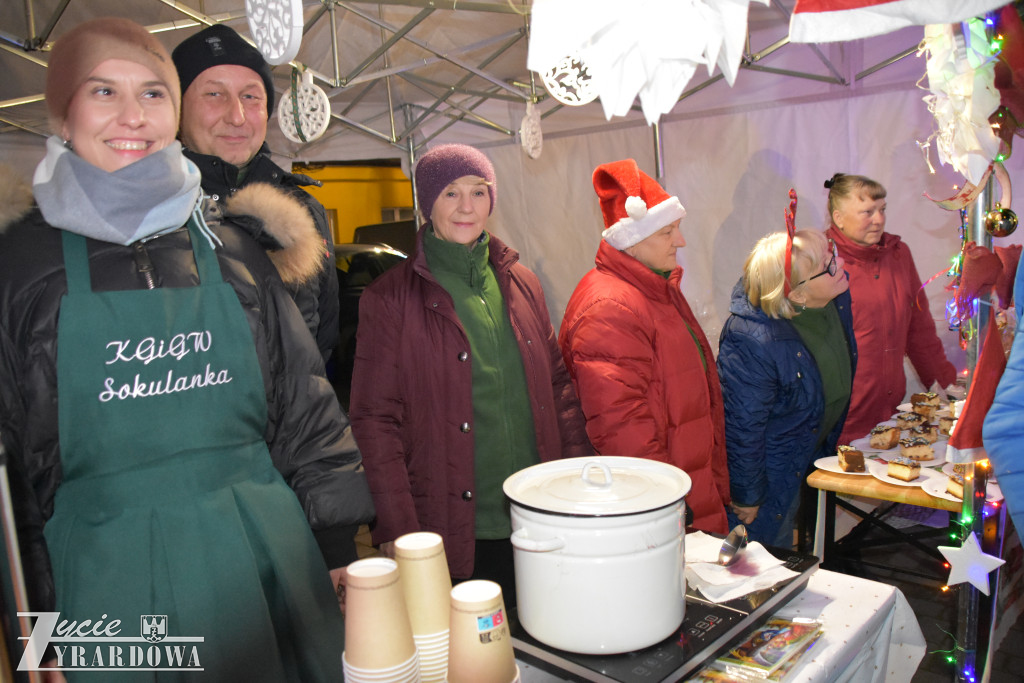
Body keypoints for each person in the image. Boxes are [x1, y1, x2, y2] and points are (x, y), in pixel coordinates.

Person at [0, 18, 374, 681]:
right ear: (62, 113)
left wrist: (338, 546)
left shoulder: (233, 248)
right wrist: (34, 631)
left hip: (265, 563)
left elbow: (305, 408)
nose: (132, 116)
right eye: (103, 92)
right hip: (107, 589)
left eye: (152, 94)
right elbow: (9, 482)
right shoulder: (18, 266)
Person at [349, 144, 592, 605]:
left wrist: (578, 480)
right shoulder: (390, 299)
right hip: (453, 525)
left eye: (478, 192)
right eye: (451, 194)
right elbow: (374, 419)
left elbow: (559, 388)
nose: (467, 207)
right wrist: (399, 528)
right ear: (428, 203)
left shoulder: (521, 282)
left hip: (538, 514)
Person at [559, 158, 730, 535]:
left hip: (684, 487)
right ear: (632, 240)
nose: (681, 241)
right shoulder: (611, 306)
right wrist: (665, 503)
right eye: (667, 232)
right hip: (661, 503)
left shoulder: (654, 289)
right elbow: (621, 425)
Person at [171, 23, 340, 366]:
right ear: (177, 111)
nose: (237, 116)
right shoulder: (150, 209)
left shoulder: (304, 209)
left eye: (251, 97)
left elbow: (323, 340)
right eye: (214, 94)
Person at [717, 229, 857, 546]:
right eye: (829, 265)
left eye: (832, 253)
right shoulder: (750, 338)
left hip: (808, 453)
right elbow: (742, 427)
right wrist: (748, 494)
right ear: (797, 296)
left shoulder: (835, 298)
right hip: (772, 476)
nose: (841, 263)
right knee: (764, 562)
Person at [824, 173, 958, 444]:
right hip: (838, 419)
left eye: (882, 209)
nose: (879, 219)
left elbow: (919, 329)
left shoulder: (898, 255)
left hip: (888, 415)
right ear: (838, 218)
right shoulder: (822, 261)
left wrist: (943, 383)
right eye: (867, 212)